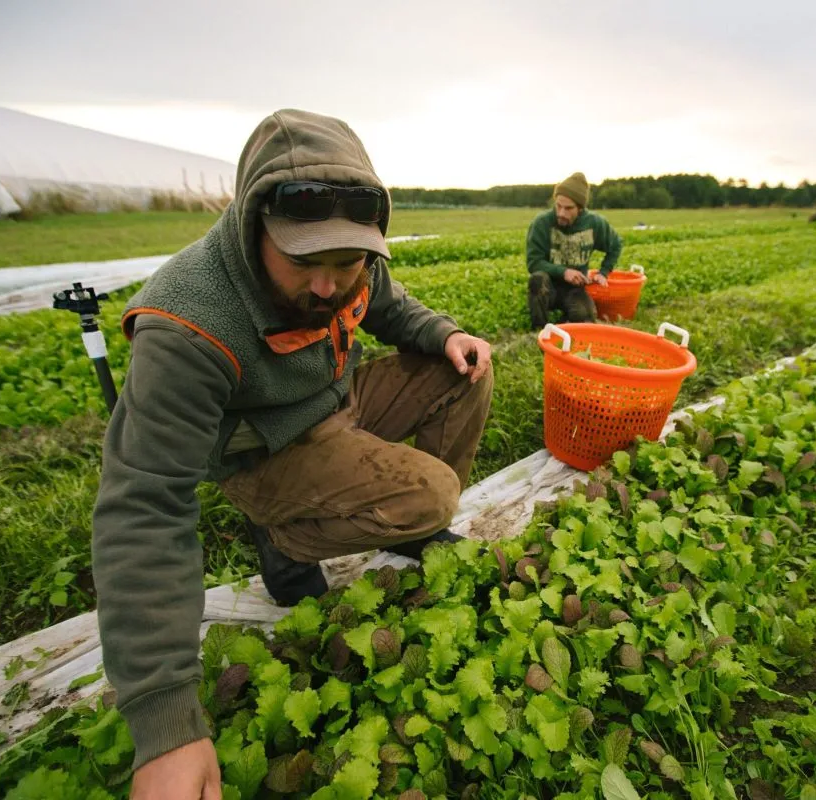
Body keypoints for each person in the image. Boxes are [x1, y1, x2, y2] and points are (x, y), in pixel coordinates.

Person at [91, 109, 494, 798]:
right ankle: (285, 539)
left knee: (471, 370)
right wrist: (166, 724)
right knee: (429, 492)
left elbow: (391, 308)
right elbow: (144, 506)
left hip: (341, 403)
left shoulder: (348, 267)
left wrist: (446, 332)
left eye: (349, 264)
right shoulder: (188, 324)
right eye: (307, 264)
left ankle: (410, 527)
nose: (329, 287)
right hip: (268, 451)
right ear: (256, 224)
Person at [526, 172, 623, 328]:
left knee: (586, 319)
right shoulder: (541, 223)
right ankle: (539, 329)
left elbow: (616, 245)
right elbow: (533, 262)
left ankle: (565, 322)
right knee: (537, 280)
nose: (561, 213)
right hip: (548, 285)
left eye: (568, 208)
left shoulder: (594, 223)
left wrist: (603, 272)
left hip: (574, 289)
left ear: (580, 208)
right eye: (558, 206)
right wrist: (564, 272)